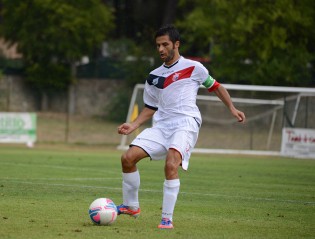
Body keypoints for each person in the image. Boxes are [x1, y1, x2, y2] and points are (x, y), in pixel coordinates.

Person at [116, 24, 245, 229]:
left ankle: (166, 218)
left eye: (165, 44)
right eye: (158, 45)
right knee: (127, 158)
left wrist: (232, 108)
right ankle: (131, 206)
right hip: (162, 125)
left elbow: (216, 87)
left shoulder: (194, 67)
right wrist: (133, 125)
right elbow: (151, 107)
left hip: (186, 123)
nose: (160, 49)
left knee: (170, 164)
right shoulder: (153, 76)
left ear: (176, 44)